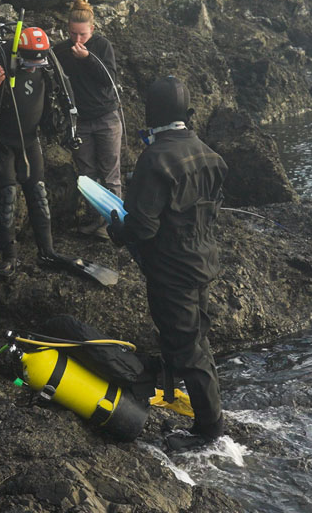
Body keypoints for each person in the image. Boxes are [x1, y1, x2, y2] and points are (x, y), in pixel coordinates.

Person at [107, 76, 228, 452]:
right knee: (193, 338)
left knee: (188, 346)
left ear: (152, 113)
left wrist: (116, 228)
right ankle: (182, 397)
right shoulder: (212, 156)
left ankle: (209, 429)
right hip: (204, 261)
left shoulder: (155, 159)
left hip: (171, 268)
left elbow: (143, 227)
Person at [0, 24, 77, 276]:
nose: (34, 69)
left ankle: (47, 251)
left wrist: (68, 127)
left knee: (38, 194)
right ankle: (9, 257)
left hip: (30, 140)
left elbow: (63, 96)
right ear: (19, 55)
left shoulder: (46, 67)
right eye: (30, 64)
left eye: (39, 65)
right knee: (7, 197)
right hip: (1, 141)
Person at [52, 0, 122, 240]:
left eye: (82, 34)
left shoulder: (102, 46)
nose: (77, 40)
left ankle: (114, 225)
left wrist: (88, 58)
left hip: (106, 118)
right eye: (73, 34)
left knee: (110, 174)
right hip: (79, 121)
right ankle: (95, 219)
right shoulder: (61, 50)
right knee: (87, 174)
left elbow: (109, 79)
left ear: (92, 29)